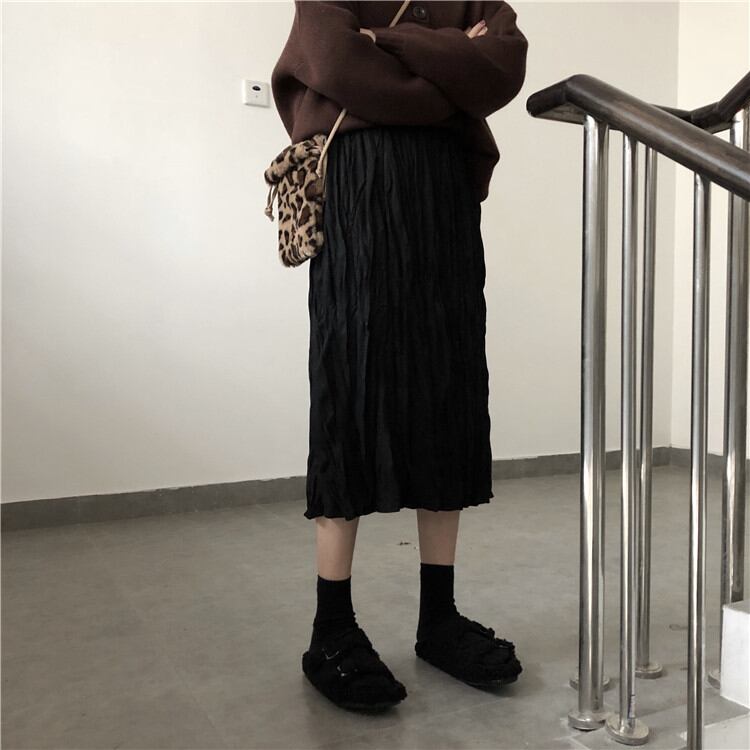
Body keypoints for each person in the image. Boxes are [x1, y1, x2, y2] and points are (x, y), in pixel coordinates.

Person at [270, 0, 529, 711]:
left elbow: (502, 67)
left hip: (444, 201)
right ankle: (331, 627)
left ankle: (438, 617)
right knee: (350, 388)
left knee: (445, 390)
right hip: (357, 190)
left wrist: (384, 40)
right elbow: (335, 61)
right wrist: (448, 60)